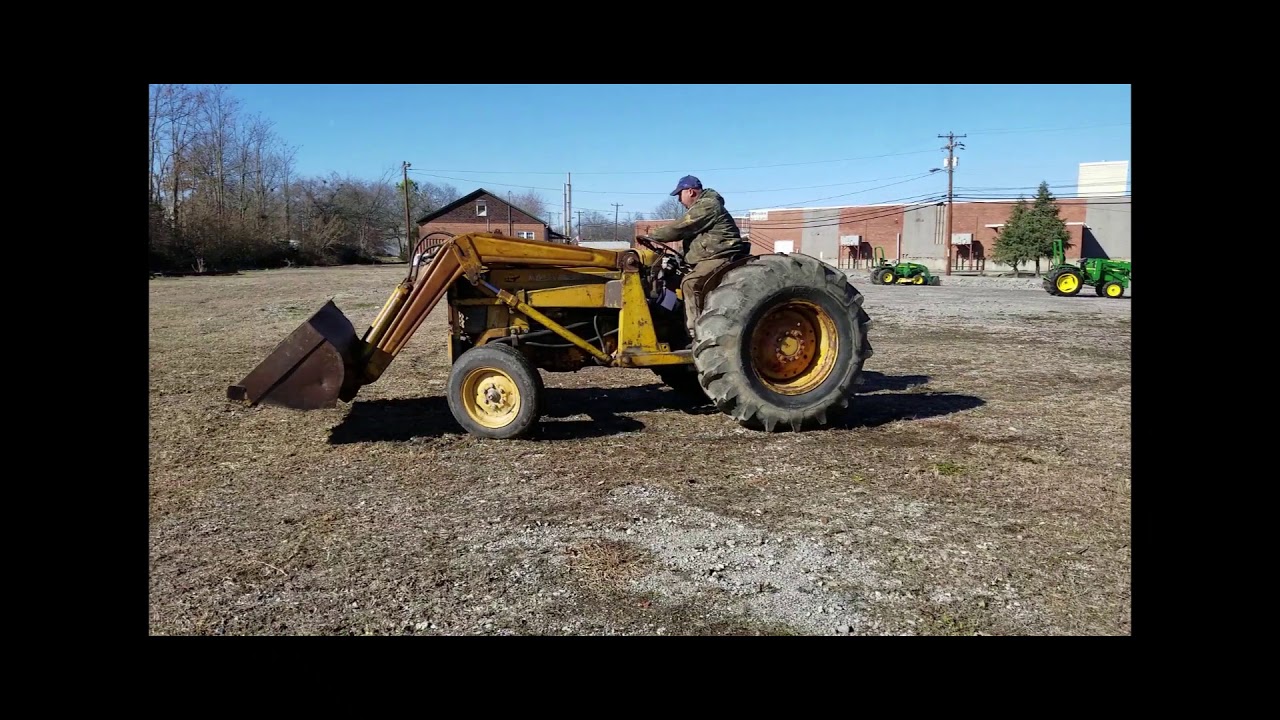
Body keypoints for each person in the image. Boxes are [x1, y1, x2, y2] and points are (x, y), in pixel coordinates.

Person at [646, 175, 750, 337]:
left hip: (720, 256)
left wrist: (652, 235)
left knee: (691, 282)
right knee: (670, 279)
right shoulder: (701, 208)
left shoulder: (708, 205)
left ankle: (695, 334)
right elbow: (691, 242)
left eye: (679, 195)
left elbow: (678, 229)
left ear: (690, 191)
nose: (679, 200)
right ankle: (668, 322)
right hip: (706, 256)